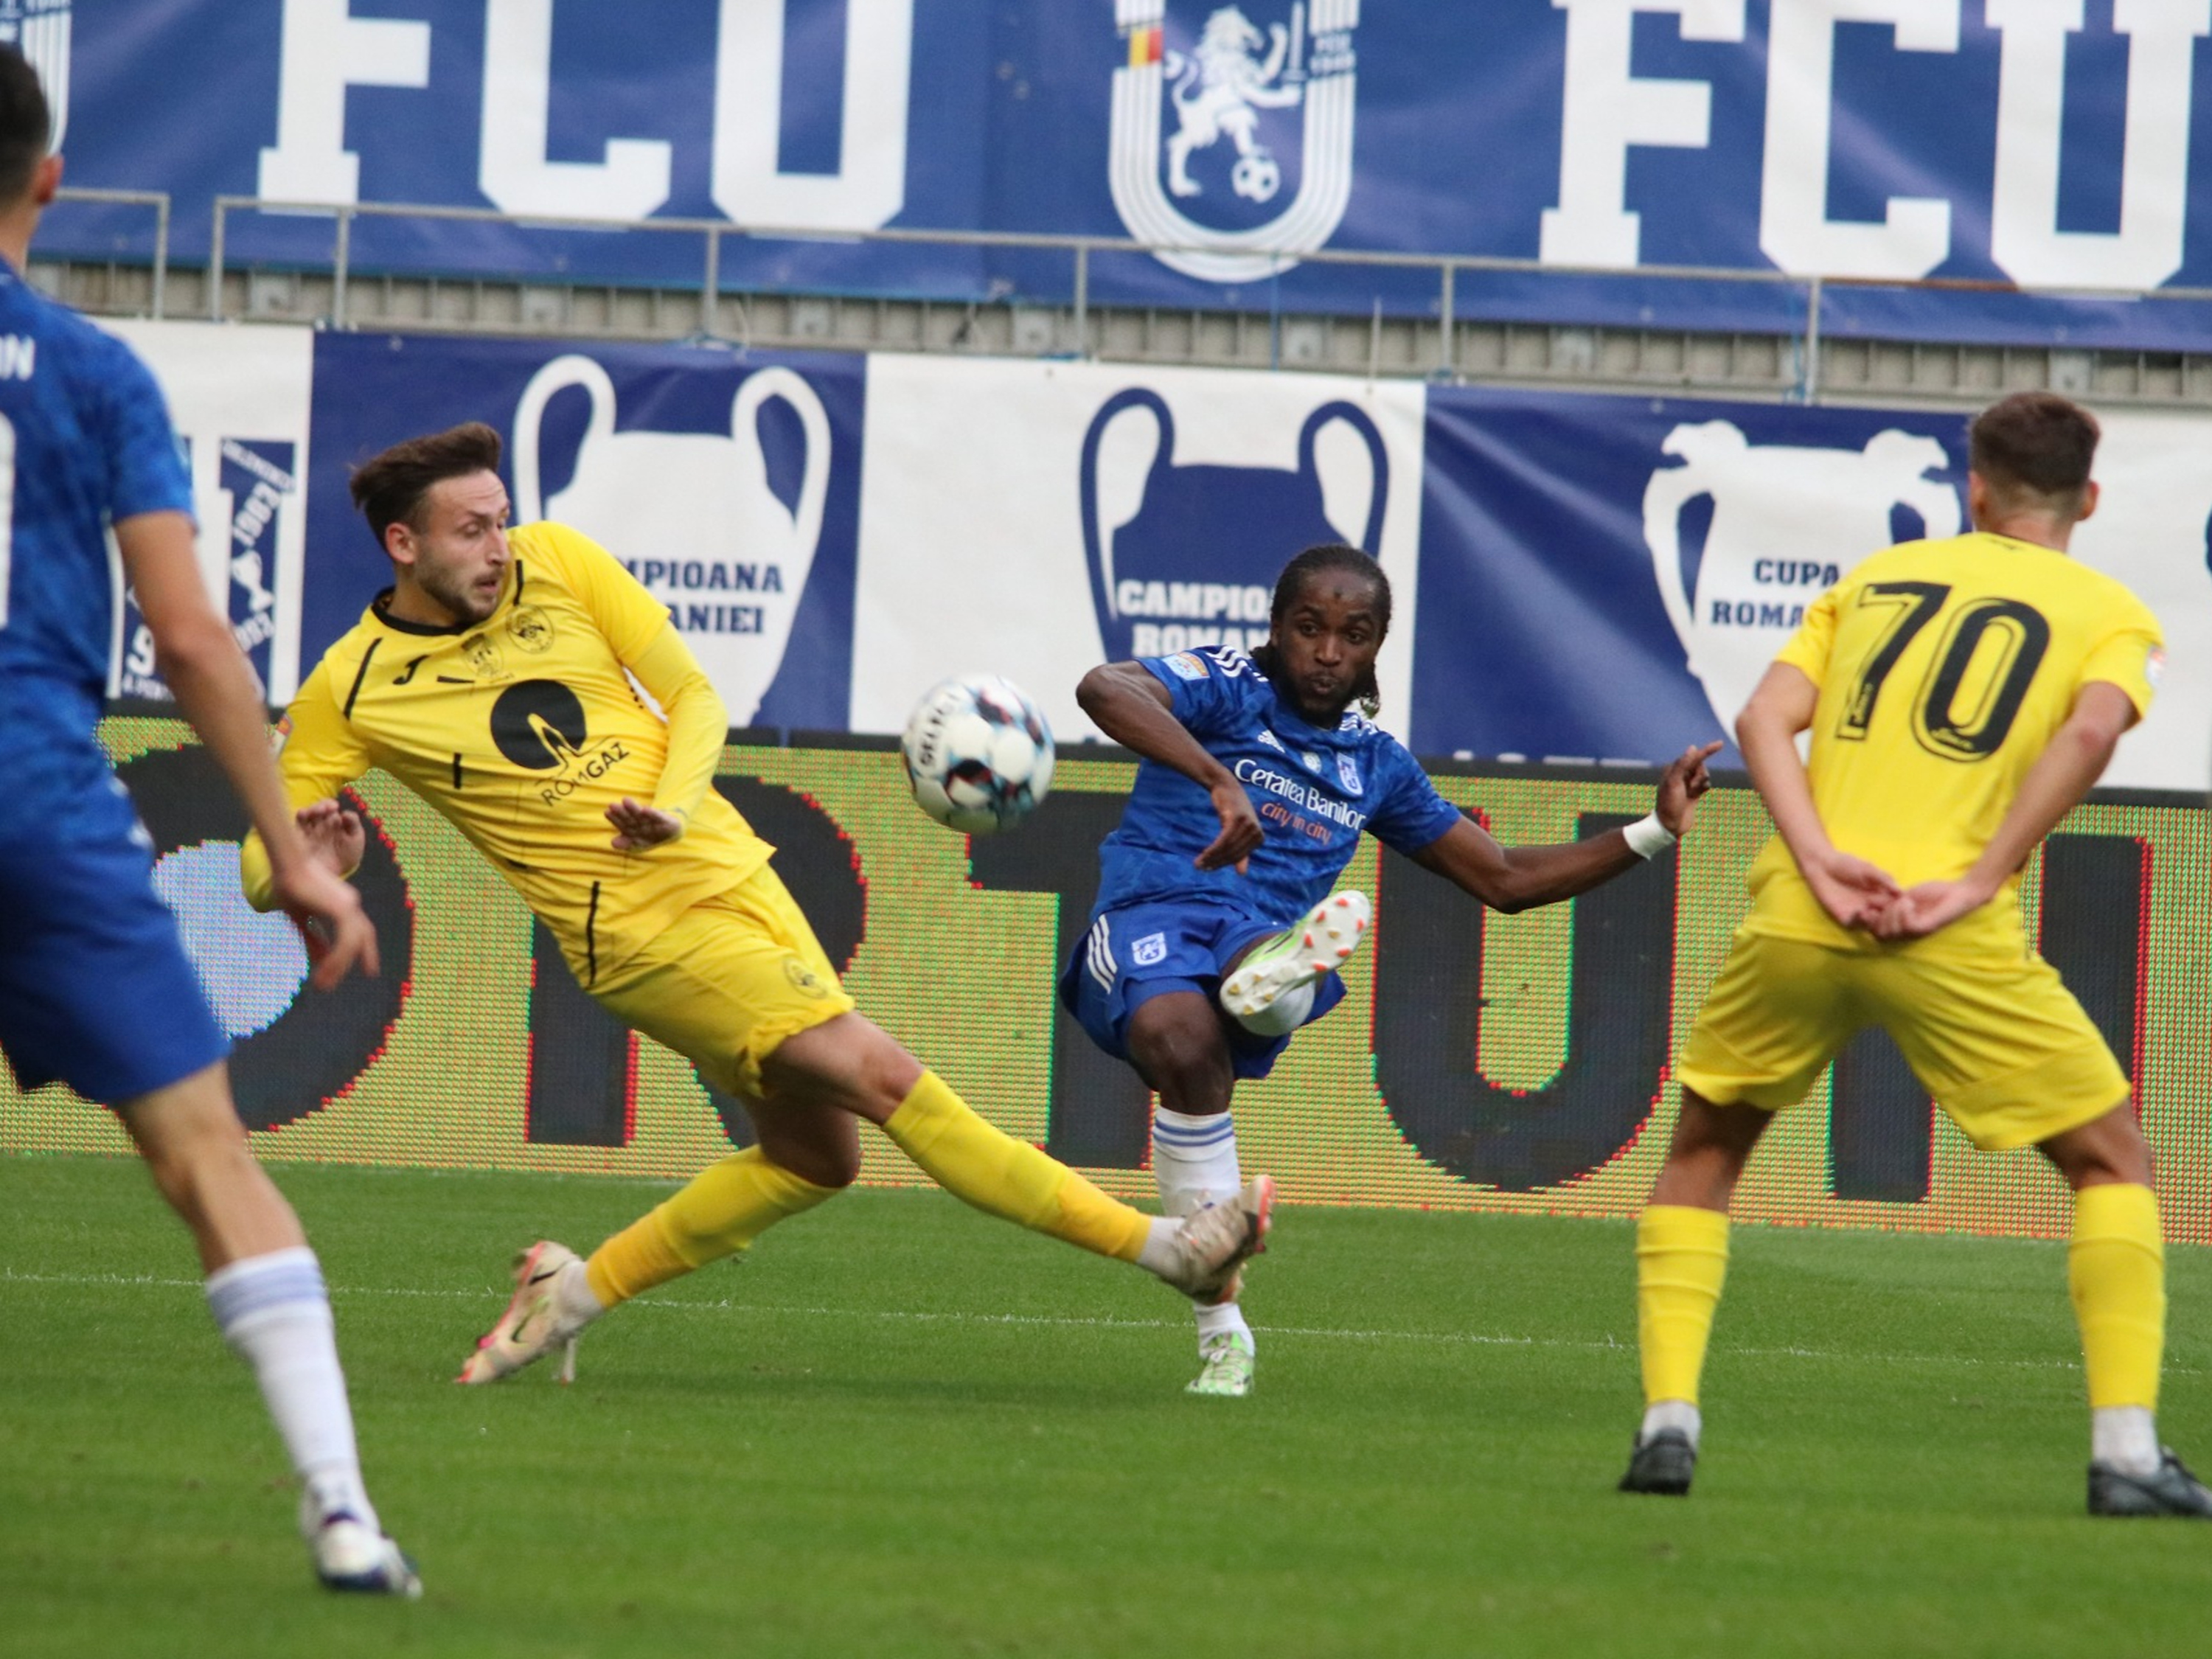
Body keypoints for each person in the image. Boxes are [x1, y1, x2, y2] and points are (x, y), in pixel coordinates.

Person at [244, 422, 1275, 1389]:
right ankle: (1166, 1249)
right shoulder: (355, 685)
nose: (498, 545)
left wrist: (675, 805)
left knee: (814, 1157)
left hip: (735, 873)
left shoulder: (558, 558)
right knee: (882, 1074)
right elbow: (262, 861)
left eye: (501, 518)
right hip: (639, 935)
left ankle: (571, 1294)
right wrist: (309, 861)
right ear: (402, 542)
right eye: (471, 529)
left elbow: (692, 694)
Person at [1618, 392, 2209, 1517]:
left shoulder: (1877, 579)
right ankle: (2127, 1454)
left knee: (1705, 1153)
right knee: (2112, 1160)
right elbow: (2091, 731)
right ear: (2087, 497)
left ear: (1972, 486)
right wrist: (1982, 876)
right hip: (1950, 928)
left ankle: (1667, 1424)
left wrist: (1824, 861)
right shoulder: (2112, 614)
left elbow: (1759, 721)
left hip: (1803, 913)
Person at [0, 51, 418, 1596]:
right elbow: (189, 643)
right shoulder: (95, 376)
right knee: (206, 1160)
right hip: (39, 807)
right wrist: (294, 857)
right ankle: (342, 1513)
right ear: (49, 184)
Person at [1068, 543, 1720, 1397]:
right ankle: (1275, 1001)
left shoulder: (1376, 765)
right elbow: (1104, 687)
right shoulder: (1228, 685)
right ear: (1276, 627)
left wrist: (1655, 830)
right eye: (1309, 629)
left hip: (1246, 934)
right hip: (1151, 912)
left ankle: (1271, 996)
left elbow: (1505, 881)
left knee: (1194, 1034)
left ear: (1379, 645)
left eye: (1354, 634)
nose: (1328, 653)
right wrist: (1213, 775)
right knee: (1173, 1032)